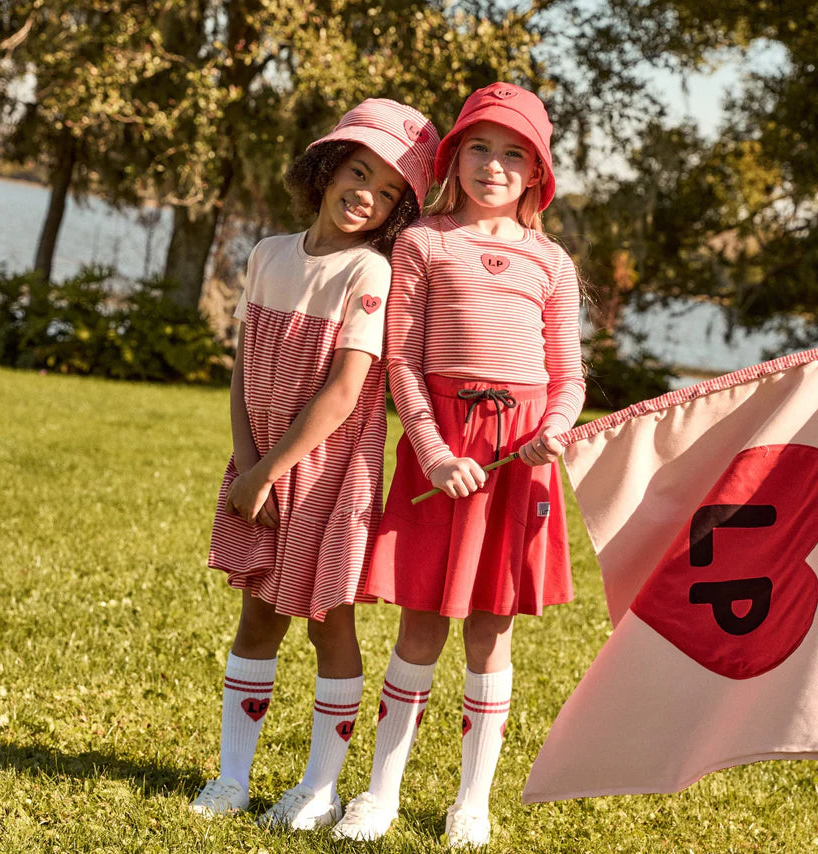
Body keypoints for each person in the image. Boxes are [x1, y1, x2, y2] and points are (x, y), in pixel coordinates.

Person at [331, 82, 585, 848]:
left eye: (514, 154)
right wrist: (434, 453)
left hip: (520, 460)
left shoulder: (552, 261)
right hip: (440, 452)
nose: (493, 166)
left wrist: (556, 429)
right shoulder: (424, 243)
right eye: (479, 147)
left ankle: (472, 803)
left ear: (537, 173)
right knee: (421, 624)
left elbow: (568, 375)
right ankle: (379, 794)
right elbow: (402, 360)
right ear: (453, 156)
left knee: (489, 631)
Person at [190, 99, 439, 831]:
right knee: (257, 616)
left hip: (329, 475)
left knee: (328, 621)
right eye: (358, 172)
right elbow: (243, 371)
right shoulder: (268, 254)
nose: (366, 194)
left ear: (397, 210)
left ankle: (319, 789)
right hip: (260, 467)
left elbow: (345, 391)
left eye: (388, 191)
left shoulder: (369, 270)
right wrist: (248, 467)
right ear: (327, 170)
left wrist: (269, 470)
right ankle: (231, 779)